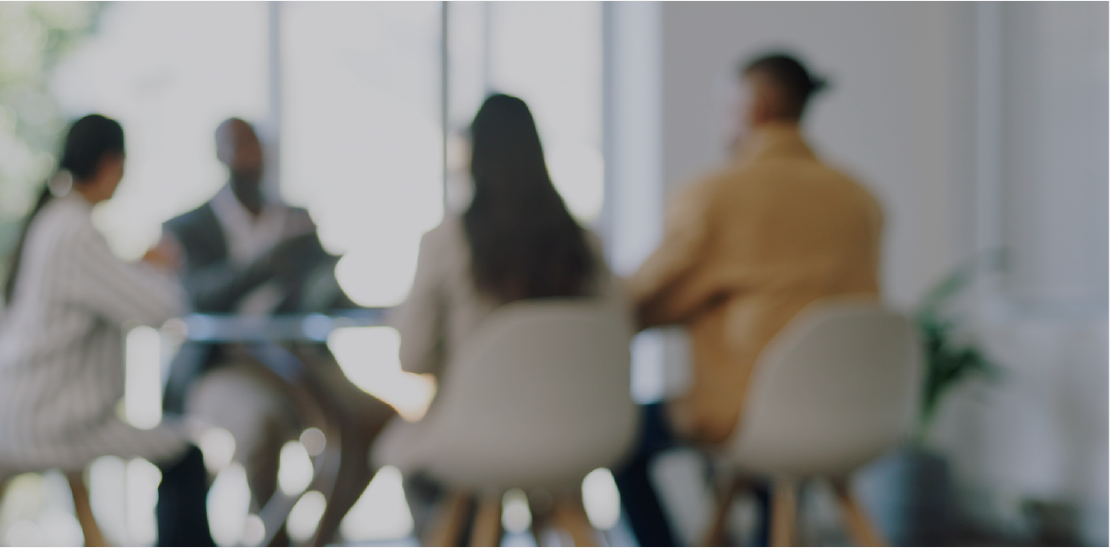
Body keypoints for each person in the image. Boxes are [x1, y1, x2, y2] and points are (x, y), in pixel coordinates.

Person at [613, 52, 884, 547]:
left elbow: (643, 300)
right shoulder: (860, 199)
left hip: (752, 410)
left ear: (754, 107)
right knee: (780, 392)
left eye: (725, 106)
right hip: (854, 409)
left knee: (620, 436)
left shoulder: (717, 196)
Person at [378, 94, 622, 540]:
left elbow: (412, 357)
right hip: (578, 434)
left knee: (423, 468)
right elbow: (618, 333)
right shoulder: (585, 242)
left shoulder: (448, 241)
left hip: (478, 437)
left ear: (474, 156)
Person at [0, 114, 213, 546]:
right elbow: (161, 310)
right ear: (110, 163)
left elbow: (99, 286)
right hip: (51, 419)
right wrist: (159, 270)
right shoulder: (77, 232)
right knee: (185, 454)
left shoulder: (54, 220)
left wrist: (134, 266)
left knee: (165, 455)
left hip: (21, 409)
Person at [158, 118, 388, 545]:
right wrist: (267, 263)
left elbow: (328, 295)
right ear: (219, 156)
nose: (249, 158)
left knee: (376, 419)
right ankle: (271, 538)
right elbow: (198, 296)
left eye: (255, 147)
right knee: (260, 424)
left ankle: (319, 536)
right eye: (238, 148)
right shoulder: (189, 227)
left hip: (299, 359)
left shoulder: (295, 219)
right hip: (225, 364)